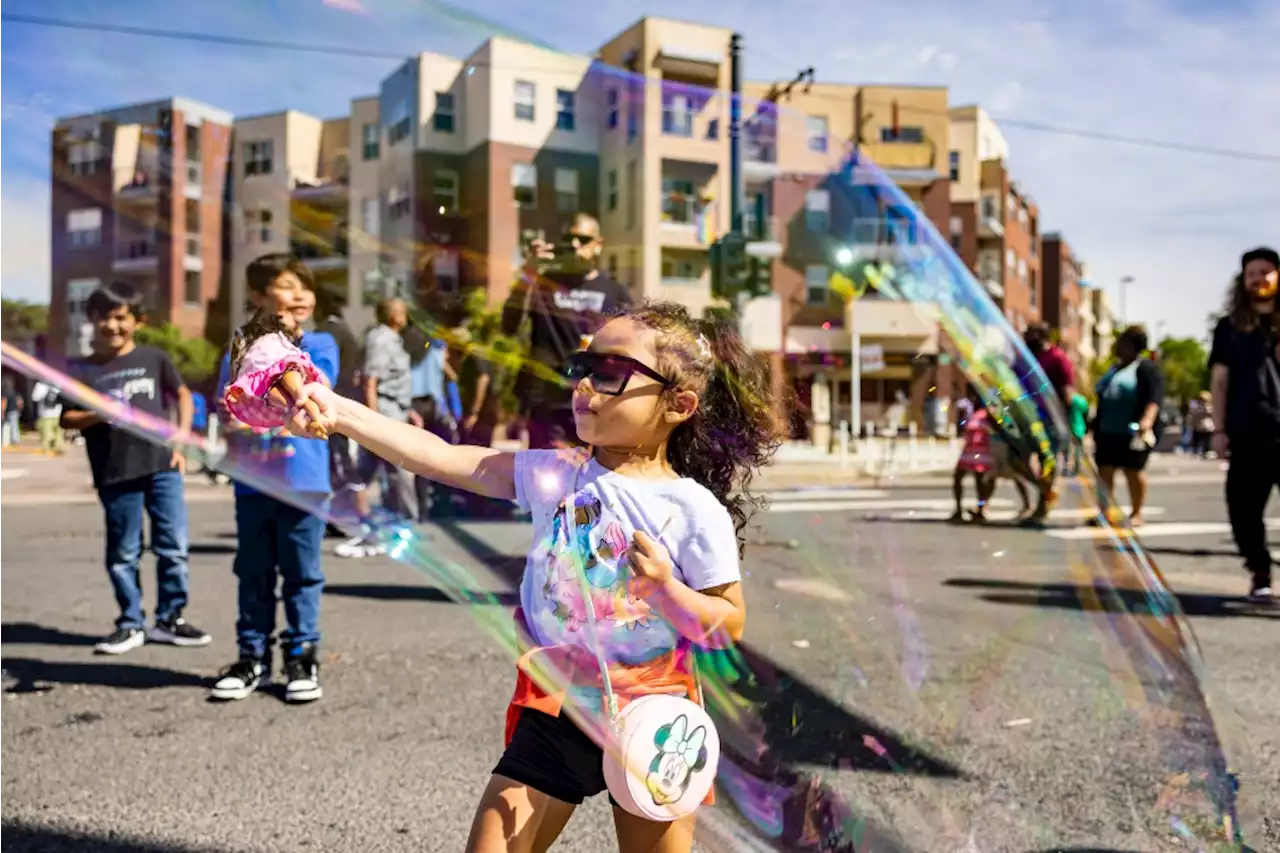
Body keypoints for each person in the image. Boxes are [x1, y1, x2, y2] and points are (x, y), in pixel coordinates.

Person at [288, 302, 781, 852]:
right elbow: (438, 456)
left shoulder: (692, 508)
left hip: (656, 718)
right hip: (558, 704)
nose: (585, 384)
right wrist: (338, 412)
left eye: (611, 372)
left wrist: (667, 592)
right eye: (581, 367)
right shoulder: (555, 473)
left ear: (678, 404)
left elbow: (727, 624)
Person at [58, 281, 210, 655]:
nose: (112, 325)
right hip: (114, 471)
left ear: (136, 321)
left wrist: (182, 437)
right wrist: (99, 413)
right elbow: (67, 419)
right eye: (103, 318)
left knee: (172, 546)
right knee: (124, 552)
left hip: (161, 465)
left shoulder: (154, 358)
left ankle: (170, 619)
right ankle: (130, 623)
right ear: (91, 321)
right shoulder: (82, 369)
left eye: (120, 317)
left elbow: (183, 395)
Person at [211, 254, 338, 703]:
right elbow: (228, 401)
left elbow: (320, 389)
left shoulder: (320, 342)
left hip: (304, 479)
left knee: (303, 572)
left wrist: (287, 348)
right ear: (259, 296)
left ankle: (302, 655)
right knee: (254, 571)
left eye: (306, 286)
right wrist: (233, 420)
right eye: (288, 285)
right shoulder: (242, 347)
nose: (301, 294)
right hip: (254, 481)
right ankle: (252, 657)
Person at [502, 213, 632, 450]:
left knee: (587, 478)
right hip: (547, 400)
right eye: (568, 238)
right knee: (544, 478)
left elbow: (631, 346)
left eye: (582, 239)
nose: (574, 245)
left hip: (593, 399)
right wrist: (527, 274)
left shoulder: (615, 292)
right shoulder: (543, 282)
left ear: (598, 245)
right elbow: (509, 326)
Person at [1209, 247, 1280, 601]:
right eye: (1252, 273)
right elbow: (1219, 381)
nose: (1259, 279)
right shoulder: (1230, 327)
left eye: (1266, 272)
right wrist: (1218, 429)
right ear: (1243, 280)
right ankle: (1260, 570)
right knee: (1243, 508)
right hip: (1249, 429)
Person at [334, 297, 421, 558]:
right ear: (390, 314)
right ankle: (403, 524)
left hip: (394, 409)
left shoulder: (392, 338)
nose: (405, 314)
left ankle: (367, 526)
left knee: (366, 470)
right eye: (401, 310)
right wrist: (374, 419)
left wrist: (409, 410)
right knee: (400, 469)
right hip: (385, 412)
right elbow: (371, 379)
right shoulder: (381, 338)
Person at [1091, 326, 1165, 529]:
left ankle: (1137, 512)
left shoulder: (1146, 369)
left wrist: (1147, 421)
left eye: (1122, 342)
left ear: (1134, 346)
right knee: (1104, 471)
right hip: (1107, 430)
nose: (1117, 346)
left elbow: (1154, 399)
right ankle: (1104, 512)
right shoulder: (1114, 369)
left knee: (1133, 470)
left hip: (1132, 431)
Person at [1021, 323, 1076, 526]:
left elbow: (1067, 391)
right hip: (1030, 416)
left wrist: (1066, 422)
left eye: (1030, 334)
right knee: (1018, 456)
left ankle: (1042, 507)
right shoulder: (1029, 358)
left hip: (1052, 418)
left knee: (1048, 460)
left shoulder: (1057, 358)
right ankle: (1046, 492)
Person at [950, 388, 993, 523]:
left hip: (981, 453)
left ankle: (980, 510)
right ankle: (958, 509)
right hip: (968, 451)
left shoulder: (988, 415)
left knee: (979, 482)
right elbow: (961, 429)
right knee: (958, 478)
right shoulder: (970, 414)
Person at [32, 380, 65, 456]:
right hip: (58, 412)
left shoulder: (41, 385)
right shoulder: (59, 384)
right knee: (58, 433)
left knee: (45, 433)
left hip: (45, 414)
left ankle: (46, 449)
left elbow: (35, 397)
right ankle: (58, 448)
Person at [1067, 390, 1090, 476]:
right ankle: (1078, 467)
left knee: (1077, 448)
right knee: (1078, 448)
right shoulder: (1080, 400)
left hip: (1074, 426)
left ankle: (1078, 468)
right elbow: (1086, 410)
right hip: (1079, 427)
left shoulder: (1073, 400)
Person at [1, 376, 21, 446]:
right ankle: (15, 440)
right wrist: (19, 410)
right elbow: (20, 402)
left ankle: (4, 440)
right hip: (15, 412)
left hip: (9, 411)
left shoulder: (5, 393)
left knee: (4, 426)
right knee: (15, 426)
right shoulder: (15, 393)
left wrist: (2, 412)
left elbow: (4, 403)